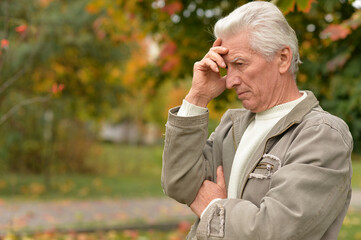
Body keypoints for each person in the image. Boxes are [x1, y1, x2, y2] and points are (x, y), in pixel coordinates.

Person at [161, 1, 353, 239]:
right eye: (227, 67)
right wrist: (197, 98)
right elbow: (179, 183)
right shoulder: (231, 127)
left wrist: (214, 207)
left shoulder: (321, 134)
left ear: (283, 58)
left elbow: (274, 231)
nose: (229, 81)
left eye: (239, 64)